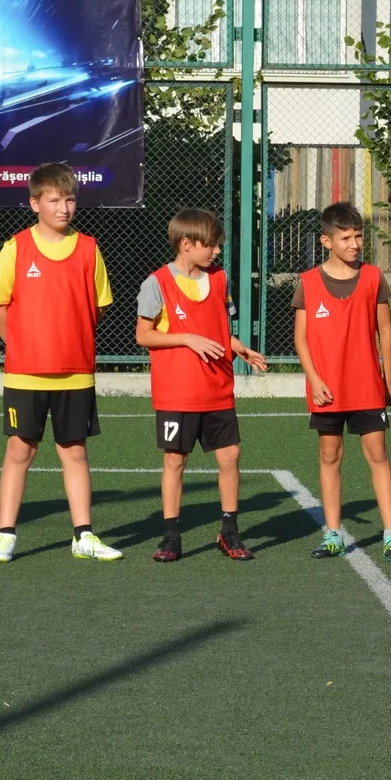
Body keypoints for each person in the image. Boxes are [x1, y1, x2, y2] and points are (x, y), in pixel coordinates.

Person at [0, 163, 117, 564]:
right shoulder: (15, 248)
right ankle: (5, 535)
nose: (64, 208)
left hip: (75, 374)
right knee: (20, 450)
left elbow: (97, 307)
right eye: (55, 200)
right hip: (25, 375)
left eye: (70, 200)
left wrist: (69, 342)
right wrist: (23, 346)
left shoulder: (89, 249)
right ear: (35, 204)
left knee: (74, 452)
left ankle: (83, 535)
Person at [136, 208, 268, 563]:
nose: (217, 251)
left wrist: (239, 347)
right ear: (186, 244)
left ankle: (229, 532)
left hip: (217, 388)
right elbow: (143, 335)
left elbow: (218, 328)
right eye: (210, 245)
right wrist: (187, 338)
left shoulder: (220, 279)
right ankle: (171, 536)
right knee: (175, 460)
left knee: (230, 456)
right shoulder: (157, 283)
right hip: (177, 392)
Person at [295, 202, 391, 562]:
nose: (355, 244)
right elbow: (301, 338)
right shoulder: (309, 282)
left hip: (367, 386)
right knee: (330, 456)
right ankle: (333, 534)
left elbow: (385, 330)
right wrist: (314, 380)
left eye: (358, 236)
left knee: (378, 454)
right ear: (326, 241)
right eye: (346, 238)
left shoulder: (373, 277)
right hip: (327, 389)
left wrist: (389, 377)